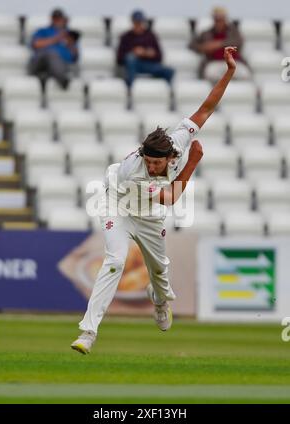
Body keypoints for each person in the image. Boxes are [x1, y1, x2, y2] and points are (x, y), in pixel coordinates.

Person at [71, 46, 237, 354]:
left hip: (148, 214)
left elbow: (205, 109)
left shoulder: (177, 140)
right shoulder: (132, 172)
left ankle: (160, 303)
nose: (151, 166)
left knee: (159, 270)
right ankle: (88, 333)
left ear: (170, 155)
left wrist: (229, 72)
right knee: (115, 261)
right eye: (148, 161)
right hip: (118, 205)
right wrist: (193, 163)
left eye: (156, 163)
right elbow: (172, 197)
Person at [190, 7, 250, 82]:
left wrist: (219, 44)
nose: (219, 22)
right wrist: (204, 48)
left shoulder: (233, 31)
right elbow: (192, 45)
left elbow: (239, 42)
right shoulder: (206, 33)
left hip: (234, 62)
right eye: (216, 19)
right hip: (214, 62)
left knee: (244, 74)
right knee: (211, 74)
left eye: (221, 19)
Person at [117, 10, 174, 87]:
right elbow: (119, 59)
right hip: (134, 66)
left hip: (149, 65)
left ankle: (166, 92)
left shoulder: (151, 36)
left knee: (169, 71)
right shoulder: (126, 37)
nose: (138, 24)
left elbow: (159, 56)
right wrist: (133, 52)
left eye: (140, 22)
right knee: (130, 58)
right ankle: (130, 89)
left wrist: (147, 53)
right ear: (132, 22)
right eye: (136, 22)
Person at [28, 8, 80, 89]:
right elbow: (35, 44)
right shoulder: (43, 31)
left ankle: (54, 78)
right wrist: (56, 39)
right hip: (40, 65)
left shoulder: (69, 34)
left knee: (55, 57)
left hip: (63, 65)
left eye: (59, 18)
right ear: (52, 19)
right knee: (51, 53)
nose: (57, 20)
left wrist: (70, 43)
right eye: (55, 18)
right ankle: (62, 80)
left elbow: (75, 56)